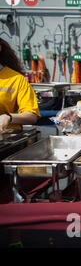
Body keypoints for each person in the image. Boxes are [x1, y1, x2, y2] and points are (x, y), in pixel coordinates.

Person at [0, 37, 40, 248]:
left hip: (8, 144)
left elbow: (32, 115)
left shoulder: (16, 80)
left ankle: (14, 240)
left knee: (8, 193)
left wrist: (9, 117)